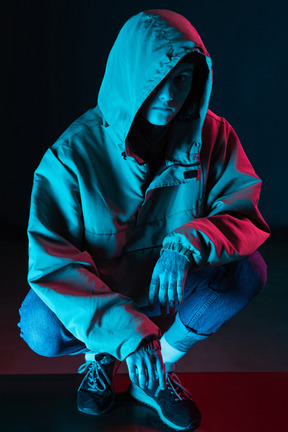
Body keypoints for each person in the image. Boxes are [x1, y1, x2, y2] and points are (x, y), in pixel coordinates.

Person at [18, 9, 270, 431]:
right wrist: (127, 334)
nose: (171, 94)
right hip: (101, 291)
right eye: (157, 80)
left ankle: (154, 374)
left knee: (248, 272)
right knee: (41, 326)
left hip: (167, 287)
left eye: (182, 80)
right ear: (129, 78)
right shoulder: (69, 157)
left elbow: (242, 213)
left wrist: (186, 244)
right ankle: (103, 354)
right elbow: (53, 263)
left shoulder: (215, 136)